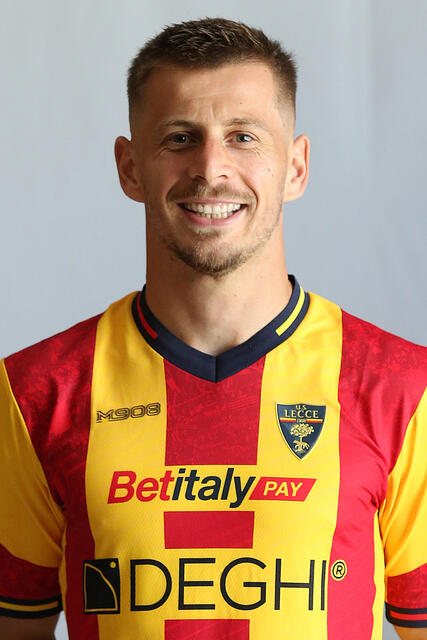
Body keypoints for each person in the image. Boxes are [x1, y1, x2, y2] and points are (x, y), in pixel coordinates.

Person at [0, 17, 425, 640]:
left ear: (296, 167)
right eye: (179, 138)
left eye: (243, 137)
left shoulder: (404, 390)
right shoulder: (33, 392)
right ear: (130, 168)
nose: (211, 167)